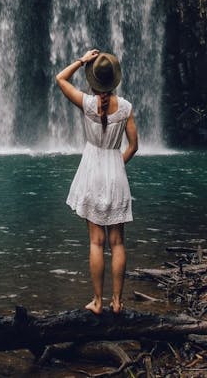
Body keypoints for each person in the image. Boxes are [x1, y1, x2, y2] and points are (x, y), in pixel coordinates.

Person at [55, 48, 139, 315]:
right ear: (115, 80)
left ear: (93, 81)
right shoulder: (125, 108)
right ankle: (117, 302)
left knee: (95, 242)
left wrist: (82, 61)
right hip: (115, 173)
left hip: (91, 173)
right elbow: (134, 146)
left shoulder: (87, 103)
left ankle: (98, 302)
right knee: (117, 242)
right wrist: (116, 165)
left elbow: (60, 78)